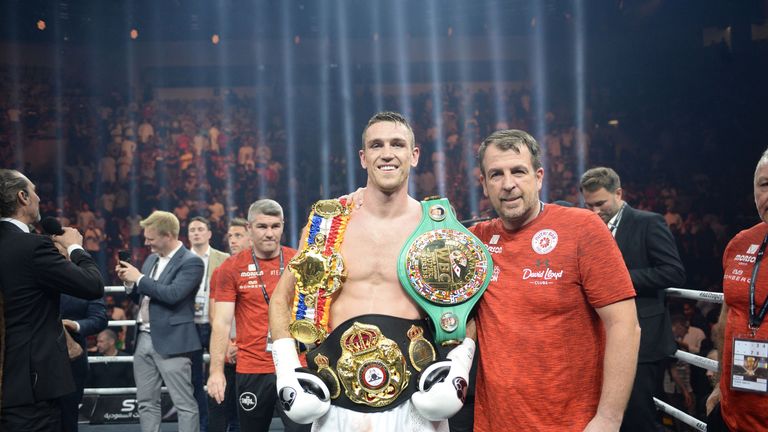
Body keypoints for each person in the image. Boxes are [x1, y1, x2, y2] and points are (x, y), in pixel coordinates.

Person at [266, 112, 474, 432]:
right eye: (377, 145)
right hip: (336, 402)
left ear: (414, 155)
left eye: (398, 144)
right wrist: (287, 371)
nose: (387, 153)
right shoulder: (328, 224)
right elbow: (282, 297)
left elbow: (466, 306)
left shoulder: (435, 227)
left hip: (414, 403)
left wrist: (458, 369)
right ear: (363, 158)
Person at [467, 130, 641, 431]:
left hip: (570, 422)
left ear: (538, 177)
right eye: (496, 174)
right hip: (495, 422)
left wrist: (609, 418)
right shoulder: (476, 241)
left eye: (518, 171)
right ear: (483, 184)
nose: (508, 184)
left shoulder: (582, 228)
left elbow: (625, 325)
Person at [580, 166, 686, 432]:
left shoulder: (648, 222)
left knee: (638, 415)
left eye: (601, 203)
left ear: (619, 193)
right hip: (603, 337)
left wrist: (620, 277)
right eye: (589, 205)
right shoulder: (589, 227)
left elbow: (674, 272)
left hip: (644, 339)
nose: (595, 211)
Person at [0, 169, 105, 431]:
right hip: (31, 386)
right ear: (22, 197)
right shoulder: (32, 246)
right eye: (34, 190)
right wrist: (75, 247)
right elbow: (92, 286)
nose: (38, 198)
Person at [207, 200, 306, 432]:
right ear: (249, 229)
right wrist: (216, 371)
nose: (270, 233)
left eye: (275, 226)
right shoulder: (230, 269)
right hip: (252, 368)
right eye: (262, 227)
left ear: (283, 226)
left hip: (295, 365)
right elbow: (221, 323)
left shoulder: (299, 262)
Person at [116, 210, 204, 432]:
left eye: (151, 238)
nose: (146, 243)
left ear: (168, 236)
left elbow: (173, 295)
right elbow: (143, 296)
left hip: (173, 342)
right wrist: (130, 284)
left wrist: (140, 278)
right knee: (146, 402)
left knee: (184, 403)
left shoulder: (191, 262)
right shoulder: (151, 259)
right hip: (143, 337)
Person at [706, 148, 768, 431]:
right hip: (732, 414)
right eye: (765, 185)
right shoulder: (741, 243)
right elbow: (727, 317)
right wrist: (720, 384)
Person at [207, 217, 250, 432]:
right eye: (230, 236)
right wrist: (228, 346)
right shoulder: (220, 271)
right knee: (220, 413)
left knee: (246, 416)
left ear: (251, 237)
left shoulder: (267, 269)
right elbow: (214, 316)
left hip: (254, 353)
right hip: (227, 352)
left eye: (238, 235)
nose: (232, 240)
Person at [189, 216, 230, 432]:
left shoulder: (224, 259)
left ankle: (220, 423)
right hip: (190, 325)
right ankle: (202, 426)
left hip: (217, 323)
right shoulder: (181, 259)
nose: (196, 233)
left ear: (209, 234)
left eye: (200, 229)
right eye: (192, 230)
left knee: (223, 373)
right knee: (194, 379)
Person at [60, 293, 108, 432]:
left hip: (71, 360)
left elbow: (99, 319)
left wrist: (75, 325)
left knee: (68, 418)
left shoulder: (84, 278)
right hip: (33, 358)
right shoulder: (33, 274)